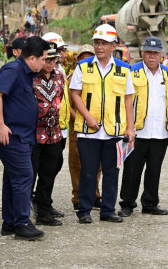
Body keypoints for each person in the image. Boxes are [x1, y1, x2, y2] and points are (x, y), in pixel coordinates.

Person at [70, 24, 135, 224]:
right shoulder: (83, 66)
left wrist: (130, 128)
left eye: (104, 43)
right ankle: (84, 210)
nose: (99, 47)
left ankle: (107, 210)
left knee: (111, 172)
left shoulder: (123, 69)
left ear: (113, 46)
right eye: (97, 43)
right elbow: (75, 94)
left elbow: (128, 100)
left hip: (114, 130)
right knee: (88, 171)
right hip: (88, 132)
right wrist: (88, 117)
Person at [0, 36, 50, 241]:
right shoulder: (13, 70)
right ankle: (22, 223)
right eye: (43, 59)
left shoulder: (26, 73)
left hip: (22, 134)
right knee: (24, 176)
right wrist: (0, 125)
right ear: (32, 58)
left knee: (12, 178)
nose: (44, 63)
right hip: (11, 134)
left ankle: (10, 222)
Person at [118, 37, 168, 217]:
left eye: (155, 53)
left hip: (160, 132)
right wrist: (128, 127)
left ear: (162, 55)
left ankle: (150, 203)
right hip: (137, 132)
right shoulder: (131, 72)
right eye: (148, 52)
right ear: (142, 53)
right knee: (132, 170)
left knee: (154, 170)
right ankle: (127, 203)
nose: (152, 56)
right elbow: (124, 102)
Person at [30, 43, 65, 226]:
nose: (51, 63)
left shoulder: (59, 76)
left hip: (54, 133)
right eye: (48, 59)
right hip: (35, 134)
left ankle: (44, 210)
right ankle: (24, 213)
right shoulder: (31, 77)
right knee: (31, 174)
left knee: (49, 174)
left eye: (54, 59)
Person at [65, 45, 101, 211]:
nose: (85, 60)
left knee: (97, 164)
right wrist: (82, 119)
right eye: (82, 57)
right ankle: (78, 197)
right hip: (78, 127)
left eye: (89, 57)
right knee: (77, 163)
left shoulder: (99, 76)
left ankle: (95, 195)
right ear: (77, 60)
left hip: (97, 126)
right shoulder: (72, 78)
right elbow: (68, 104)